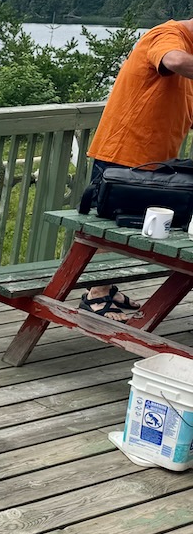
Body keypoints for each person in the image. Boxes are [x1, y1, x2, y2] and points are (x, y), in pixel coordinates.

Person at [79, 18, 193, 320]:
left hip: (156, 166)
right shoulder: (167, 35)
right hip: (122, 156)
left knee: (129, 227)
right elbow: (174, 60)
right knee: (107, 227)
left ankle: (106, 287)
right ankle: (95, 294)